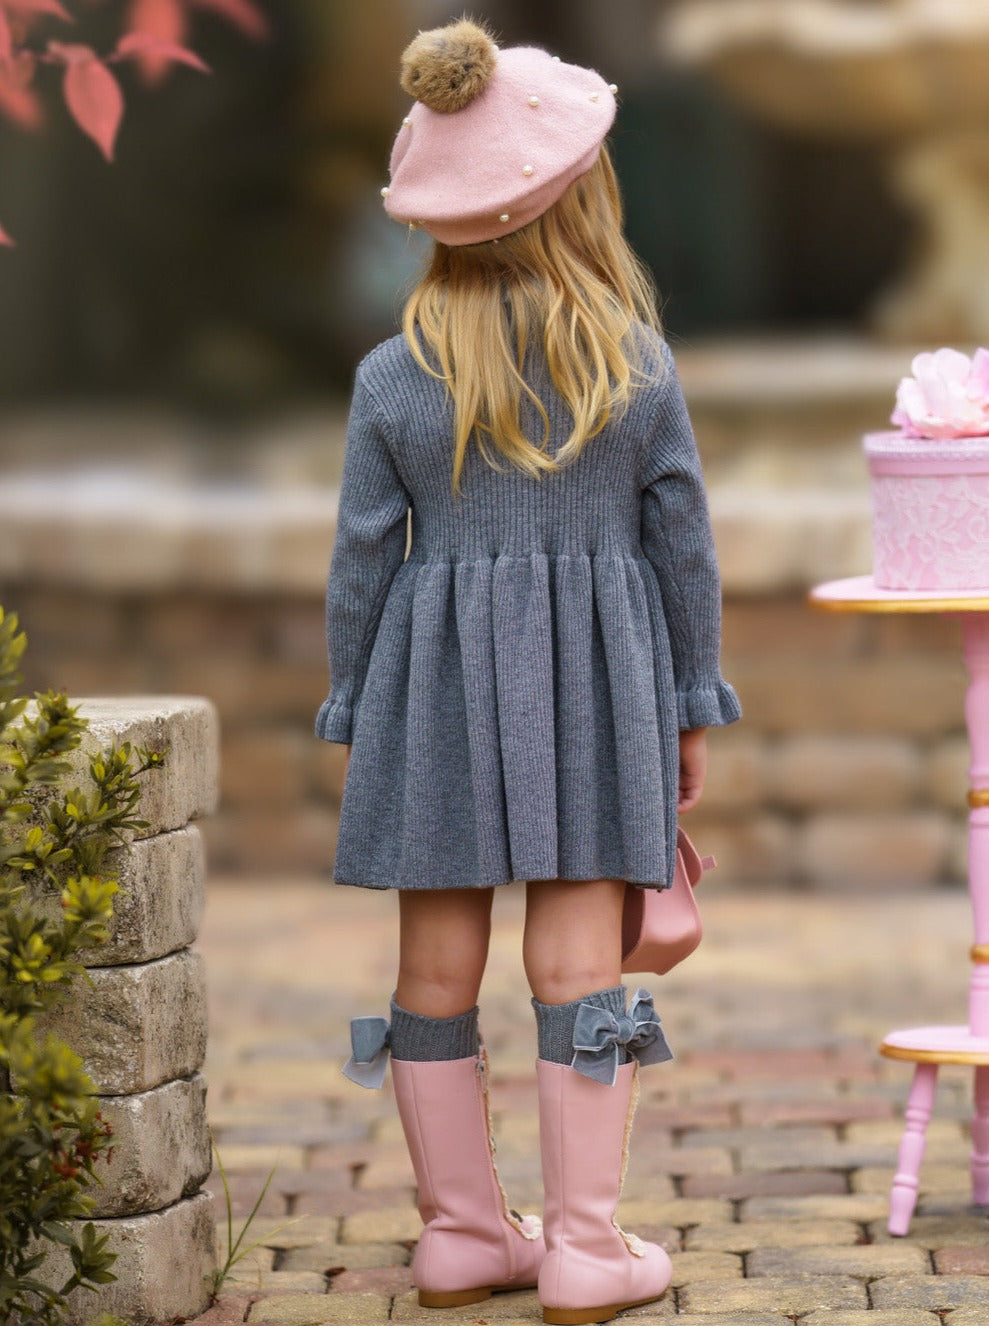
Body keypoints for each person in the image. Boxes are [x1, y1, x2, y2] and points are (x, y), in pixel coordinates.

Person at [315, 19, 741, 1325]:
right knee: (579, 968)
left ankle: (459, 1235)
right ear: (580, 204)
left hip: (431, 693)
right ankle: (586, 1248)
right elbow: (683, 551)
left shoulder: (392, 378)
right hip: (598, 690)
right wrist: (689, 705)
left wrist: (355, 706)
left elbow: (360, 560)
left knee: (433, 972)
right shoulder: (633, 367)